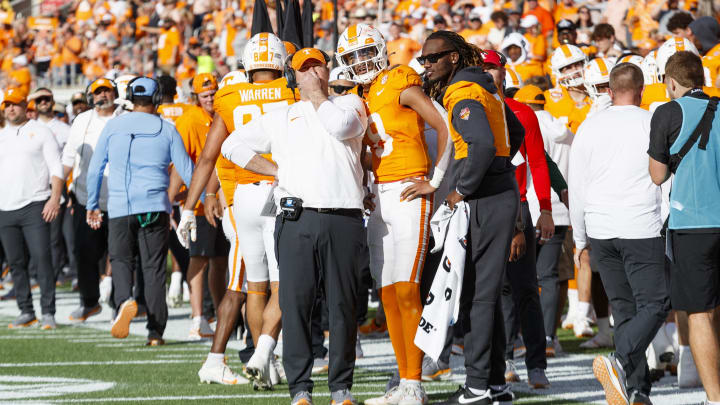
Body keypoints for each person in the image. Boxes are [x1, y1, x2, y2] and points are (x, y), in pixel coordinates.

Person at [222, 47, 368, 405]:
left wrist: (318, 93)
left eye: (315, 66)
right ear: (292, 74)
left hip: (343, 215)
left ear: (327, 69)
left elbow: (340, 126)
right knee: (296, 302)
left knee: (343, 306)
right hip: (297, 216)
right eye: (303, 68)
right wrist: (276, 171)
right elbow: (231, 145)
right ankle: (300, 388)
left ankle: (341, 388)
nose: (310, 73)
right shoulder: (281, 115)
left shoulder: (351, 104)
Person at [336, 23, 451, 405]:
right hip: (380, 197)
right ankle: (404, 381)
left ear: (381, 50)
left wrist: (434, 179)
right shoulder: (357, 96)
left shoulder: (400, 78)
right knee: (386, 294)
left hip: (408, 189)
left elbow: (442, 124)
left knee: (407, 288)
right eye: (352, 57)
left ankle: (415, 383)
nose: (360, 62)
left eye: (365, 53)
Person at [181, 33, 297, 389]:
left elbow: (207, 158)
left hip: (242, 198)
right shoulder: (291, 94)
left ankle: (266, 359)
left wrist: (189, 208)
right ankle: (263, 351)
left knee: (256, 286)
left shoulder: (230, 96)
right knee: (282, 284)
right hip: (280, 190)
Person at [420, 30, 525, 405]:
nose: (427, 64)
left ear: (453, 57)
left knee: (478, 295)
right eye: (423, 59)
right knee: (486, 293)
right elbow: (515, 131)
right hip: (497, 190)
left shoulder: (462, 90)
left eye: (434, 57)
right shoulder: (484, 85)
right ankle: (494, 383)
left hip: (485, 195)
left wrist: (462, 188)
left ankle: (478, 386)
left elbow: (480, 143)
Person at [570, 62, 669, 405]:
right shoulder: (650, 121)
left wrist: (580, 239)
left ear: (609, 92)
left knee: (625, 311)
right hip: (640, 224)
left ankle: (637, 389)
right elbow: (664, 178)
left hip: (600, 227)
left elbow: (577, 187)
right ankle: (620, 363)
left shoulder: (589, 126)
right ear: (642, 90)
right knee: (656, 303)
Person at [85, 77, 194, 346]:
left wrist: (92, 204)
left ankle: (124, 300)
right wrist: (203, 200)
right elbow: (188, 170)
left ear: (130, 98)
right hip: (156, 206)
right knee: (154, 269)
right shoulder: (167, 128)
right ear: (157, 99)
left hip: (121, 206)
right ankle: (155, 332)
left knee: (121, 260)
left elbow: (95, 168)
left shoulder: (113, 126)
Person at [648, 50, 720, 405]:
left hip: (693, 222)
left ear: (670, 82)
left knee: (701, 314)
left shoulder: (667, 111)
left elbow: (657, 175)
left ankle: (715, 397)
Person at [481, 50, 553, 389]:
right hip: (484, 208)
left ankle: (536, 363)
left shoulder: (523, 112)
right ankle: (504, 357)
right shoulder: (471, 109)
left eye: (492, 68)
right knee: (495, 290)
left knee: (526, 288)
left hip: (519, 208)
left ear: (503, 72)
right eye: (481, 69)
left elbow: (538, 163)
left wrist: (546, 209)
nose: (487, 74)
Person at [514, 84, 574, 356]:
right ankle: (549, 336)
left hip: (526, 207)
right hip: (557, 210)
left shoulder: (518, 121)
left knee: (518, 277)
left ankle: (517, 336)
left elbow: (538, 162)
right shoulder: (565, 129)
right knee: (550, 277)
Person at [0, 87, 63, 330]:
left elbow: (56, 168)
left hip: (35, 203)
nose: (11, 108)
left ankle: (48, 312)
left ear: (26, 106)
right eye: (7, 105)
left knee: (42, 259)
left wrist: (54, 198)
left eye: (15, 104)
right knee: (15, 262)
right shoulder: (2, 135)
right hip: (5, 206)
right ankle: (26, 311)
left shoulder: (41, 131)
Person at [174, 73, 228, 341]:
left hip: (223, 198)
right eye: (205, 94)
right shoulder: (189, 120)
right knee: (199, 258)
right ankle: (197, 317)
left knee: (220, 260)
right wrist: (185, 199)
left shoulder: (222, 113)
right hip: (197, 204)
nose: (210, 98)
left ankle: (220, 314)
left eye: (213, 93)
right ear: (196, 97)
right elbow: (179, 161)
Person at [62, 78, 120, 322]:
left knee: (120, 254)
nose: (102, 96)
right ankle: (89, 301)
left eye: (106, 91)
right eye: (98, 92)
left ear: (115, 93)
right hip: (86, 197)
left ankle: (121, 302)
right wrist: (59, 191)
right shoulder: (82, 120)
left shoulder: (123, 118)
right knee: (85, 252)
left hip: (119, 197)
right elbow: (69, 155)